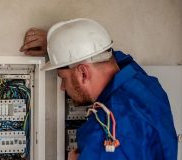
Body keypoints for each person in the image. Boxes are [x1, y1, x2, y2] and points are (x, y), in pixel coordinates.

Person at [20, 18, 177, 160]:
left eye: (63, 78)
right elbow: (110, 56)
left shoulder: (103, 132)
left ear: (83, 72)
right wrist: (59, 47)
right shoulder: (146, 85)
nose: (62, 87)